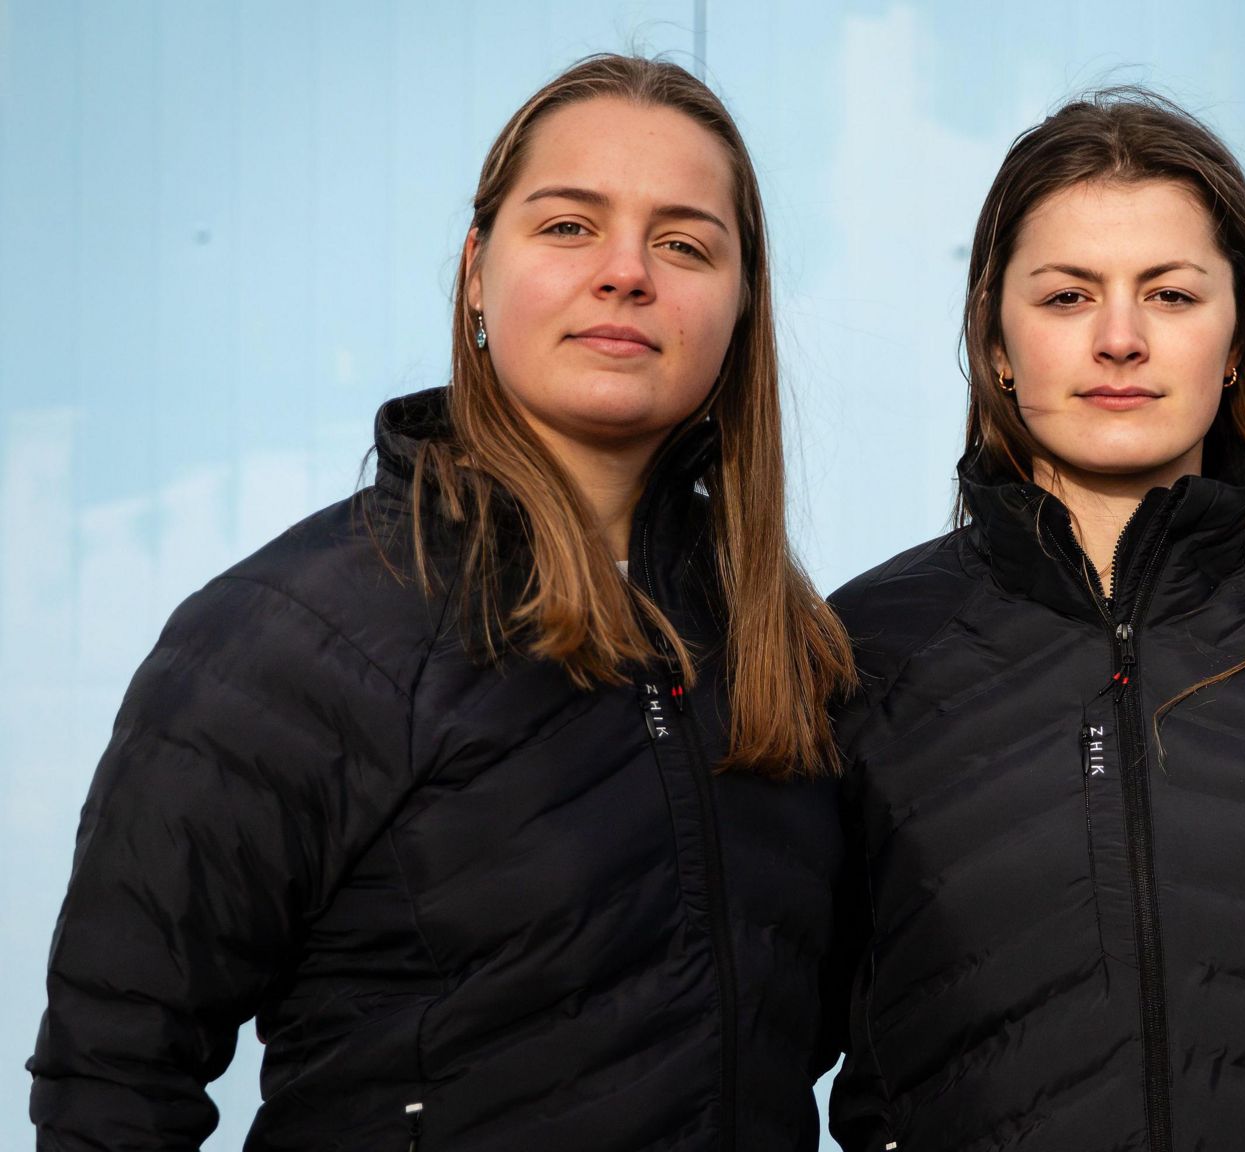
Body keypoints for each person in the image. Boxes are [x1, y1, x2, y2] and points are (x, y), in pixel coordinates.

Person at [29, 54, 853, 1152]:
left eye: (684, 243)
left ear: (742, 304)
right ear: (475, 272)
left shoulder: (785, 651)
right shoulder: (292, 634)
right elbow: (113, 1079)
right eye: (567, 227)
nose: (625, 273)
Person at [828, 89, 1245, 1151]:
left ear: (1236, 341)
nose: (1120, 340)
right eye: (1066, 298)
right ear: (995, 337)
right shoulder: (857, 652)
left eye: (1171, 296)